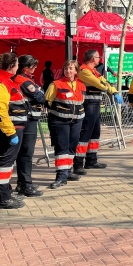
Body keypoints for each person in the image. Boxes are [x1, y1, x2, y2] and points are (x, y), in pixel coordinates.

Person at [0, 53, 27, 209]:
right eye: (17, 64)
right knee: (4, 163)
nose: (18, 67)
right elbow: (0, 111)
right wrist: (11, 133)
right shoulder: (0, 82)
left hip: (8, 128)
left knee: (6, 163)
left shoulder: (3, 79)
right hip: (7, 129)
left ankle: (5, 193)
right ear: (11, 66)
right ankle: (3, 199)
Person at [75, 49, 122, 175]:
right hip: (88, 105)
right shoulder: (84, 71)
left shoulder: (94, 71)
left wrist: (114, 92)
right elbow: (100, 84)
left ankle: (91, 160)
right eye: (98, 57)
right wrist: (109, 89)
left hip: (95, 105)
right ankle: (78, 164)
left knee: (95, 134)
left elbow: (105, 82)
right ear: (92, 59)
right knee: (85, 134)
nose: (99, 59)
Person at [45, 60, 86, 189]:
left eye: (71, 68)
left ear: (76, 71)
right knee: (62, 148)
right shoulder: (56, 84)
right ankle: (61, 177)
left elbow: (81, 102)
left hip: (77, 121)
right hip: (60, 121)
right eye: (66, 68)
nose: (68, 71)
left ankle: (67, 171)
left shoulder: (82, 86)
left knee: (72, 147)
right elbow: (47, 101)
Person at [12, 55, 46, 197]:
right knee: (26, 153)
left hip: (25, 119)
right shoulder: (23, 80)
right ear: (26, 68)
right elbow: (40, 97)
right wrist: (40, 92)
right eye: (33, 66)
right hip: (27, 119)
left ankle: (23, 183)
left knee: (24, 153)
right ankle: (26, 185)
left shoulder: (24, 79)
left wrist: (39, 92)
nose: (35, 69)